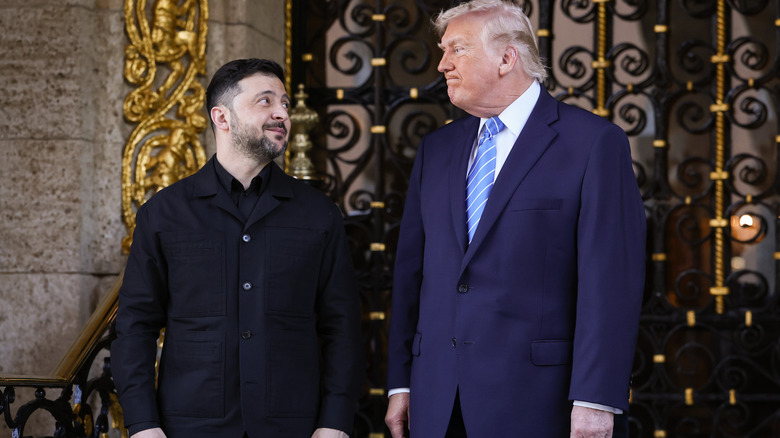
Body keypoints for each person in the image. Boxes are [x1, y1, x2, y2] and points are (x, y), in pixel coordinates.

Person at [384, 1, 646, 437]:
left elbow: (610, 281)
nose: (442, 63)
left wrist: (596, 398)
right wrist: (399, 382)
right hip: (436, 400)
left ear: (507, 58)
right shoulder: (437, 149)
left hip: (538, 402)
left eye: (457, 49)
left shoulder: (594, 143)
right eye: (443, 50)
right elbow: (411, 274)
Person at [112, 58, 364, 438]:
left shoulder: (319, 214)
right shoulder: (163, 214)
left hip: (294, 426)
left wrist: (335, 423)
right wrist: (143, 424)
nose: (281, 113)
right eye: (265, 101)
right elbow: (135, 327)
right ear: (222, 117)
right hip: (189, 427)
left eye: (284, 103)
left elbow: (342, 327)